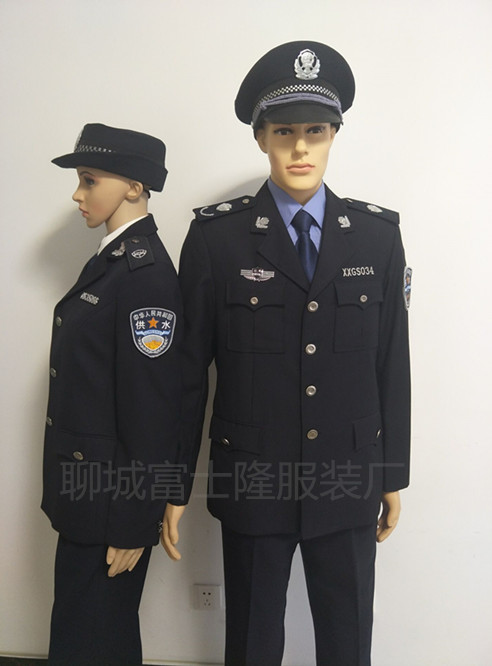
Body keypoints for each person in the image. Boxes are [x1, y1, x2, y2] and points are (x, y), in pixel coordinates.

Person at [162, 41, 411, 665]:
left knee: (348, 643)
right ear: (260, 138)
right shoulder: (216, 240)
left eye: (316, 131)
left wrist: (391, 475)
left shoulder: (377, 238)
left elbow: (392, 364)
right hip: (254, 481)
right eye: (283, 132)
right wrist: (172, 481)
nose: (301, 148)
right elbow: (186, 375)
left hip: (347, 476)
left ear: (334, 136)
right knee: (251, 646)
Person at [42, 123, 182, 665]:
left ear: (134, 186)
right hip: (89, 495)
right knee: (87, 634)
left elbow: (153, 411)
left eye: (89, 179)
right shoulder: (113, 259)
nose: (78, 195)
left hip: (109, 505)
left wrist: (132, 523)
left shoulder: (145, 275)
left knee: (95, 638)